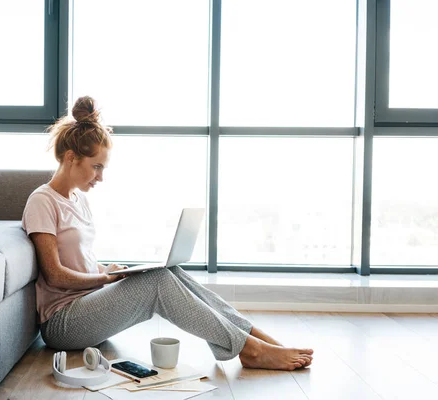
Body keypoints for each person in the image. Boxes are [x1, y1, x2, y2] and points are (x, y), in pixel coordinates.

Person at [21, 96, 314, 371]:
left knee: (169, 271)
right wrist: (105, 278)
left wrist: (105, 269)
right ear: (71, 158)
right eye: (96, 167)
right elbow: (55, 275)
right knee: (158, 281)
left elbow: (79, 259)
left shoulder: (78, 199)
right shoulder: (42, 201)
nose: (101, 176)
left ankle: (252, 336)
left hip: (88, 302)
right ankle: (250, 350)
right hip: (63, 323)